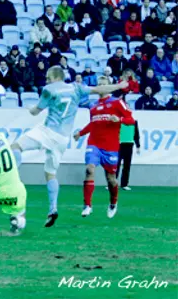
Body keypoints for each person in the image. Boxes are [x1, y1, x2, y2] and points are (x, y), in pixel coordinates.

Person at [10, 66, 128, 227]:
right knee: (50, 173)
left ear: (53, 77)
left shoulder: (48, 89)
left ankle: (12, 179)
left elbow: (36, 112)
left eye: (47, 77)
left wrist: (30, 108)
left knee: (15, 146)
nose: (46, 80)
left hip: (48, 131)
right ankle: (53, 209)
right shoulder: (76, 87)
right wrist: (118, 87)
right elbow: (100, 89)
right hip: (62, 139)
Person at [74, 76, 135, 218]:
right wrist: (81, 133)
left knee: (111, 179)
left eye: (103, 84)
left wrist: (119, 119)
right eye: (99, 85)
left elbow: (131, 120)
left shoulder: (117, 102)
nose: (101, 87)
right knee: (89, 170)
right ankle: (87, 205)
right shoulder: (93, 106)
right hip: (94, 143)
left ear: (108, 86)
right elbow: (93, 123)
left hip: (111, 147)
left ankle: (113, 203)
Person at [118, 119, 140, 191]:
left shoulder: (134, 122)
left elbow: (136, 134)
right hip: (119, 144)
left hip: (129, 145)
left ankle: (124, 184)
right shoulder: (118, 121)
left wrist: (138, 146)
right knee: (115, 165)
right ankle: (112, 183)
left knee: (127, 165)